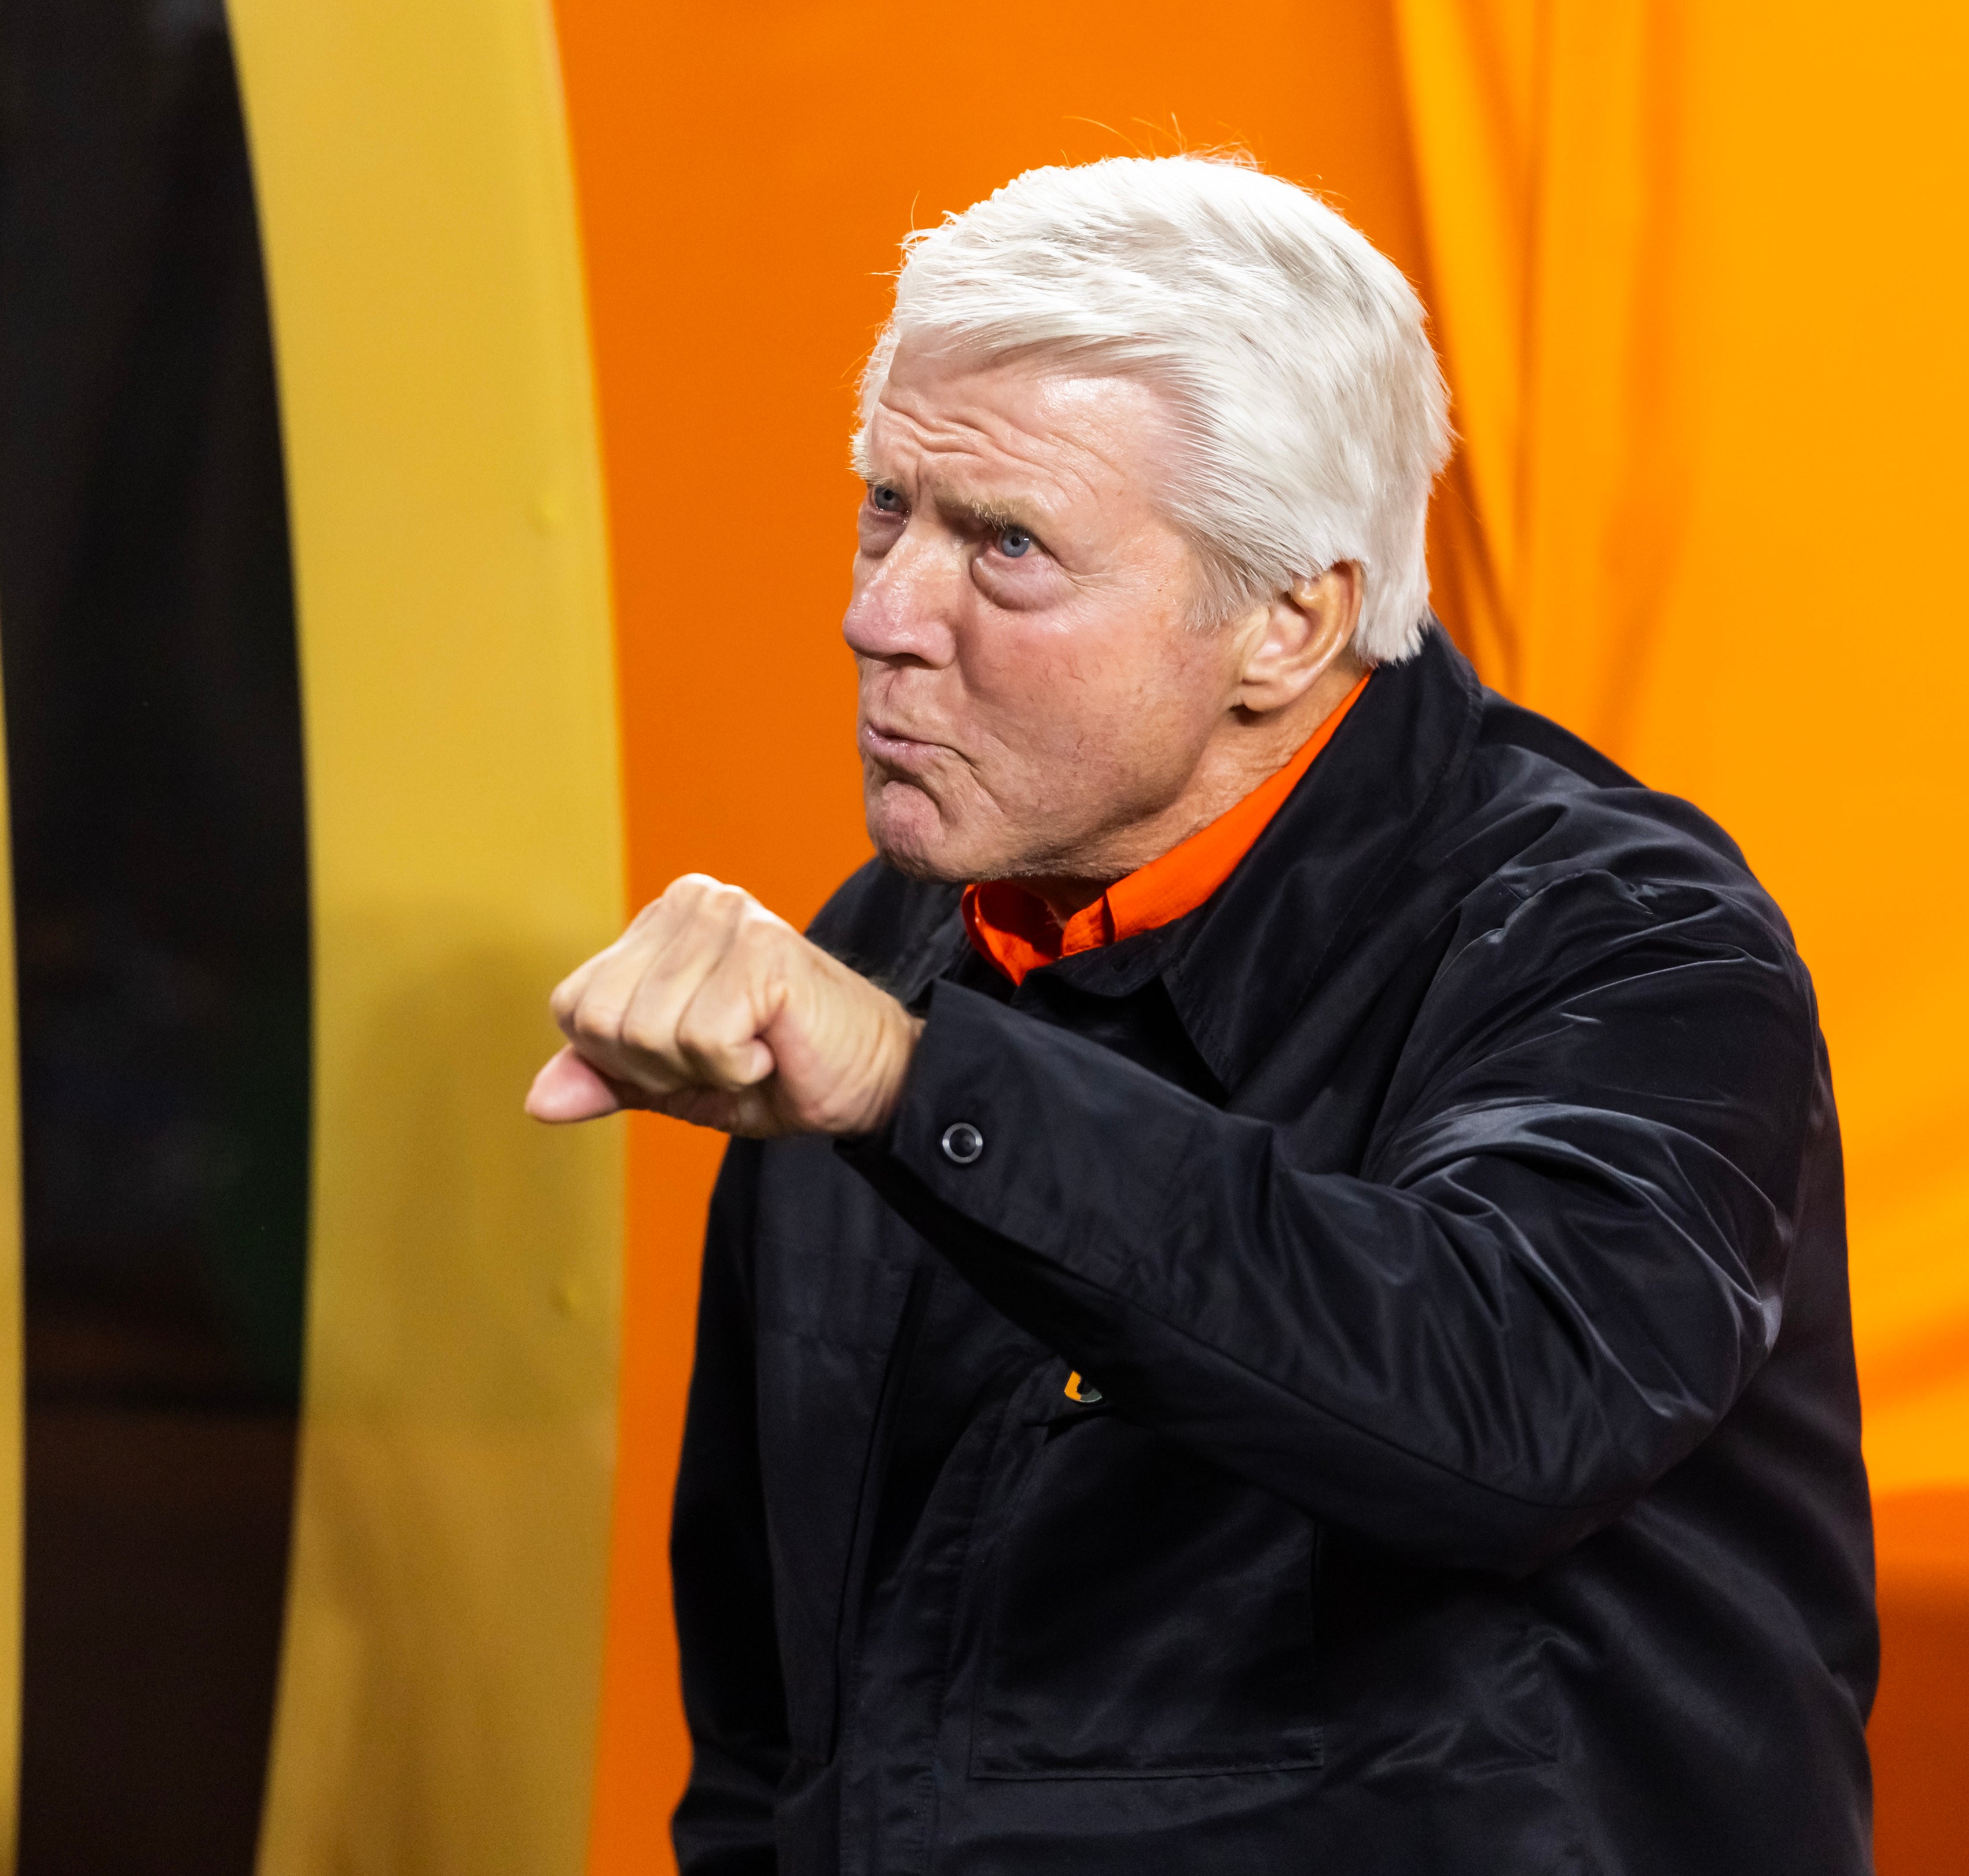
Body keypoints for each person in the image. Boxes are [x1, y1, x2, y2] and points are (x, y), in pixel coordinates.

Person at [528, 153, 1876, 1875]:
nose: (879, 617)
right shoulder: (881, 953)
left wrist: (918, 1085)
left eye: (1004, 544)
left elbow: (1507, 1403)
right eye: (888, 507)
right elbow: (780, 1718)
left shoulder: (1615, 933)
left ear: (1286, 622)